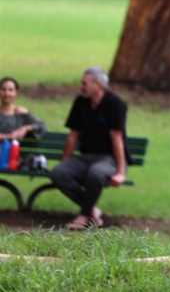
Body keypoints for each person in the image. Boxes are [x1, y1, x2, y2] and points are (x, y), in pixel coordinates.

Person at [50, 67, 129, 230]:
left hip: (109, 159)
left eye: (84, 83)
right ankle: (92, 210)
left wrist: (121, 172)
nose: (81, 87)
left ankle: (84, 216)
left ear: (98, 84)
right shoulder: (81, 102)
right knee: (58, 173)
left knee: (95, 173)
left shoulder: (116, 104)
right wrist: (65, 162)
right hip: (85, 157)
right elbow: (73, 135)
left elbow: (117, 137)